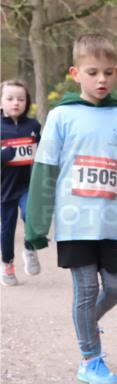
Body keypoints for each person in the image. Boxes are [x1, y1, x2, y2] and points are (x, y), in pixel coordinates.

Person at [24, 34, 117, 384]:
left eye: (108, 72)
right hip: (74, 223)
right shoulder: (62, 116)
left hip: (110, 225)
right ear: (75, 73)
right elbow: (45, 171)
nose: (101, 80)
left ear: (116, 73)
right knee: (84, 290)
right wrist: (37, 224)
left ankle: (86, 323)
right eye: (92, 72)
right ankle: (90, 358)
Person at [1, 79, 42, 285]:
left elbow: (42, 150)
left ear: (27, 102)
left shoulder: (33, 126)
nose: (15, 102)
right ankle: (7, 263)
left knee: (30, 216)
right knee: (6, 228)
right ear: (1, 102)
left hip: (28, 185)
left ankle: (30, 248)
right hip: (4, 188)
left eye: (21, 99)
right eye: (9, 99)